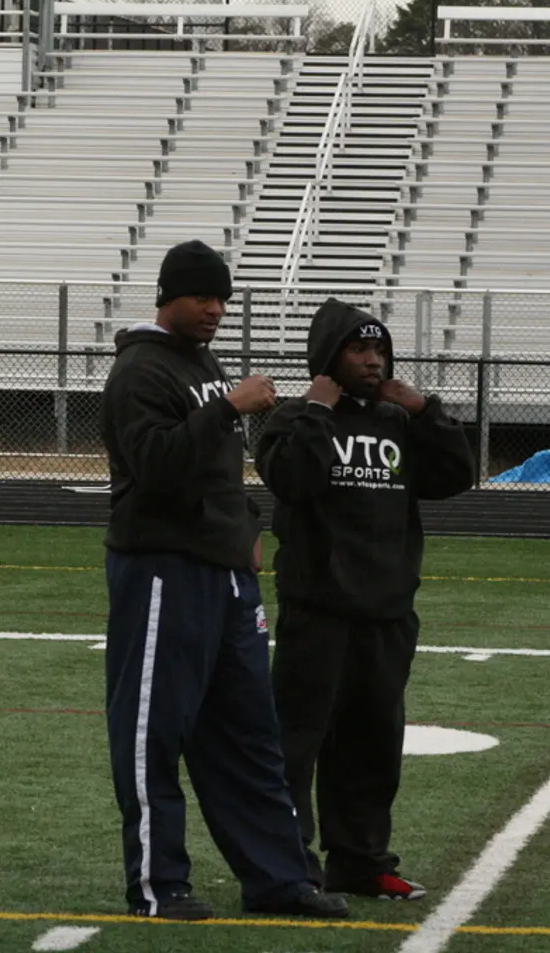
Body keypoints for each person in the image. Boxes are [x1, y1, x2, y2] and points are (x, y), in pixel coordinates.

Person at [100, 240, 349, 922]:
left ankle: (278, 878)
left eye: (222, 300)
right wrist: (230, 407)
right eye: (202, 297)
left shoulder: (199, 363)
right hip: (161, 570)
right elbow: (154, 464)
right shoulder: (139, 371)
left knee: (248, 733)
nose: (215, 310)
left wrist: (247, 525)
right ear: (167, 296)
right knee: (153, 731)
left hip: (224, 573)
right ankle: (158, 885)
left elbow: (216, 469)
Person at [255, 298, 475, 900]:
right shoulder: (293, 418)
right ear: (329, 356)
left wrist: (425, 410)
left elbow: (459, 474)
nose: (374, 361)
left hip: (387, 617)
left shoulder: (396, 420)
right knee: (296, 748)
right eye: (359, 349)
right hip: (317, 615)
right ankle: (289, 865)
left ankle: (360, 862)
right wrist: (320, 411)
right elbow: (292, 479)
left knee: (372, 748)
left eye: (379, 349)